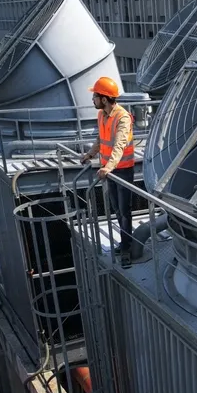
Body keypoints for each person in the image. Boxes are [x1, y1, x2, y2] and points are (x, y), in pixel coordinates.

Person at [80, 76, 136, 268]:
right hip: (110, 172)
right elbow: (100, 139)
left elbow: (119, 145)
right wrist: (90, 154)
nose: (93, 99)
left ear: (104, 99)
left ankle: (128, 249)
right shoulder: (102, 115)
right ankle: (125, 243)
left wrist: (108, 167)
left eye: (95, 96)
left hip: (122, 171)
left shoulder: (122, 117)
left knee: (124, 211)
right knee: (117, 211)